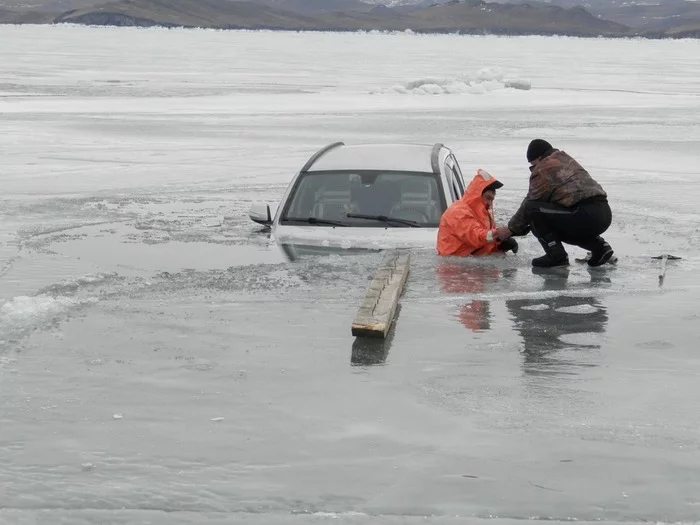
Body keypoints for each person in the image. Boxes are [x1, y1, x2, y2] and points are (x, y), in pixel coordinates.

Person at [495, 139, 614, 268]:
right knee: (556, 225)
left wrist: (510, 229)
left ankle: (556, 256)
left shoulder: (544, 168)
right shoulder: (564, 160)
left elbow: (530, 203)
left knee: (534, 212)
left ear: (539, 158)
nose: (532, 169)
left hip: (584, 214)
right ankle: (600, 248)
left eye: (531, 164)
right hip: (603, 213)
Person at [437, 168, 518, 256]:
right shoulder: (457, 212)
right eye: (488, 198)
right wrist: (498, 234)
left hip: (470, 263)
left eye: (492, 199)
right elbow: (475, 236)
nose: (490, 203)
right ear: (477, 195)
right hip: (453, 266)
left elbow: (485, 241)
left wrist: (500, 245)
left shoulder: (484, 214)